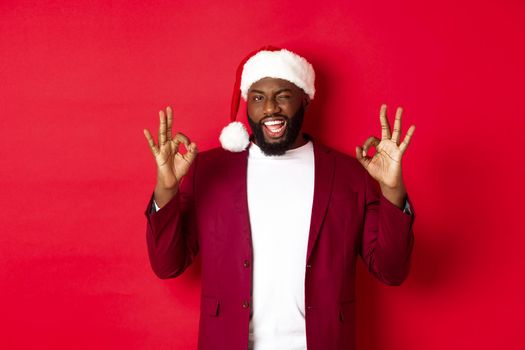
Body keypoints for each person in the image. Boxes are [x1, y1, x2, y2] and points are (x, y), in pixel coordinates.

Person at [143, 48, 415, 350]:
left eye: (283, 95)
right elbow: (167, 265)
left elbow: (391, 270)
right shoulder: (209, 170)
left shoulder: (350, 175)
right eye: (258, 97)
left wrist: (392, 190)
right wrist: (166, 189)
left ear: (305, 99)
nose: (270, 108)